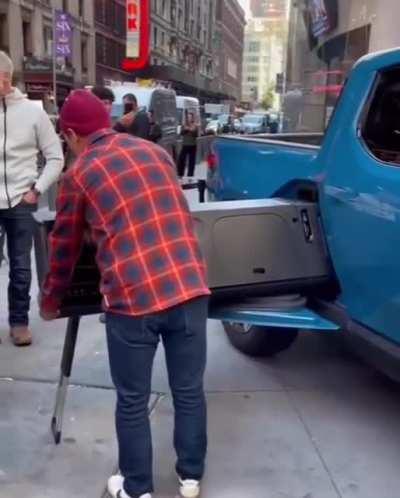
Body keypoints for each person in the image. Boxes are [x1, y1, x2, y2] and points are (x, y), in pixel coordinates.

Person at [39, 90, 210, 498]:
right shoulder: (156, 153)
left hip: (133, 299)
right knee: (188, 389)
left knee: (132, 400)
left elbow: (63, 248)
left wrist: (50, 303)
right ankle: (190, 478)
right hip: (189, 286)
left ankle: (137, 489)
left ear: (71, 134)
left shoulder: (79, 174)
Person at [0, 51, 63, 346]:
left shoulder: (33, 112)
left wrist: (36, 189)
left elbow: (55, 157)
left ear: (4, 79)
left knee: (21, 265)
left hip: (21, 200)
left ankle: (19, 321)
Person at [177, 112, 199, 178]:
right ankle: (180, 174)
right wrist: (186, 130)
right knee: (181, 159)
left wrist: (190, 130)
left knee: (191, 161)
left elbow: (196, 134)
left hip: (193, 145)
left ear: (192, 118)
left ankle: (190, 175)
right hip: (185, 144)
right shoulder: (184, 125)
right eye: (188, 117)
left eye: (190, 117)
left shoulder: (195, 125)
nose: (189, 118)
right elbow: (181, 133)